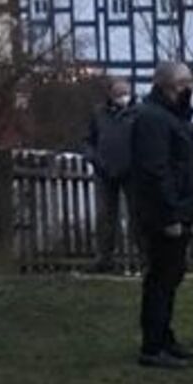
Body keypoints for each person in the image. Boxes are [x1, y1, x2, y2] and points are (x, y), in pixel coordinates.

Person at [129, 59, 193, 368]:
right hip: (162, 214)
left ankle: (164, 336)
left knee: (171, 276)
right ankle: (153, 344)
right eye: (182, 84)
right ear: (165, 86)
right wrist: (169, 215)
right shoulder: (153, 119)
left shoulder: (171, 117)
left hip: (178, 208)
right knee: (161, 278)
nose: (188, 90)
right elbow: (155, 170)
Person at [85, 76, 136, 272]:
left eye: (125, 93)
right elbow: (89, 139)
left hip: (131, 172)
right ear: (110, 94)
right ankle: (104, 258)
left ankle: (139, 257)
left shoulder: (137, 113)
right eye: (118, 93)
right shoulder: (99, 114)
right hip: (104, 171)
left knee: (136, 216)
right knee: (105, 217)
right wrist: (94, 158)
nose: (122, 97)